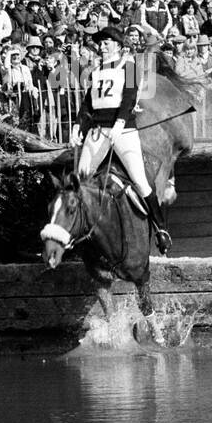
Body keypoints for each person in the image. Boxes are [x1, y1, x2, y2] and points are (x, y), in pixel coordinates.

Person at [70, 26, 171, 253]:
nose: (102, 46)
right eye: (100, 43)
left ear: (117, 45)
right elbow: (88, 103)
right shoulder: (95, 70)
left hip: (122, 131)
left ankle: (161, 230)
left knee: (140, 181)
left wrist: (119, 123)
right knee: (79, 182)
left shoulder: (130, 67)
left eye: (106, 42)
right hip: (98, 131)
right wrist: (78, 125)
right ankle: (75, 235)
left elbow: (129, 97)